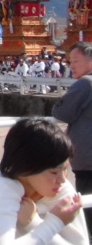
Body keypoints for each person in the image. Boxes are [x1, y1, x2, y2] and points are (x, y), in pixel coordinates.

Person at [0, 117, 88, 245]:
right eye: (54, 172)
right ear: (27, 166)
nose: (62, 179)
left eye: (65, 169)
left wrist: (33, 223)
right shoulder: (0, 186)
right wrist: (53, 223)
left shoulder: (61, 189)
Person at [53, 41, 92, 238]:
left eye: (75, 61)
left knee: (88, 209)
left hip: (88, 162)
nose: (71, 66)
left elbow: (61, 112)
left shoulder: (85, 83)